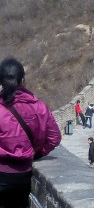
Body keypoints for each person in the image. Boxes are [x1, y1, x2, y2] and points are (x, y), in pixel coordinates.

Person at [0, 58, 61, 208]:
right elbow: (54, 138)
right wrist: (36, 153)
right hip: (24, 176)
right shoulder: (39, 106)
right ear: (23, 79)